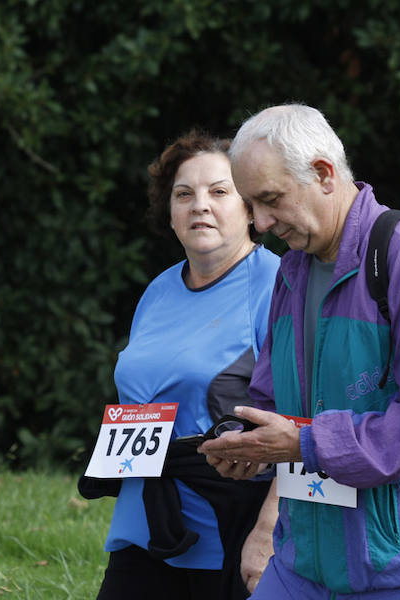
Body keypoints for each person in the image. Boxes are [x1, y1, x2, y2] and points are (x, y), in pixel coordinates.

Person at [198, 104, 400, 599]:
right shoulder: (293, 270)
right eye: (251, 205)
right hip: (301, 567)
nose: (261, 223)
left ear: (324, 174)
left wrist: (306, 443)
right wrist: (250, 442)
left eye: (270, 200)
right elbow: (272, 399)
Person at [79, 130, 281, 599]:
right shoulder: (157, 290)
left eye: (219, 191)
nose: (199, 206)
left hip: (226, 524)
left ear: (249, 207)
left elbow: (304, 410)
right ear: (169, 214)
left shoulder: (277, 285)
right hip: (142, 514)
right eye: (183, 194)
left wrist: (270, 526)